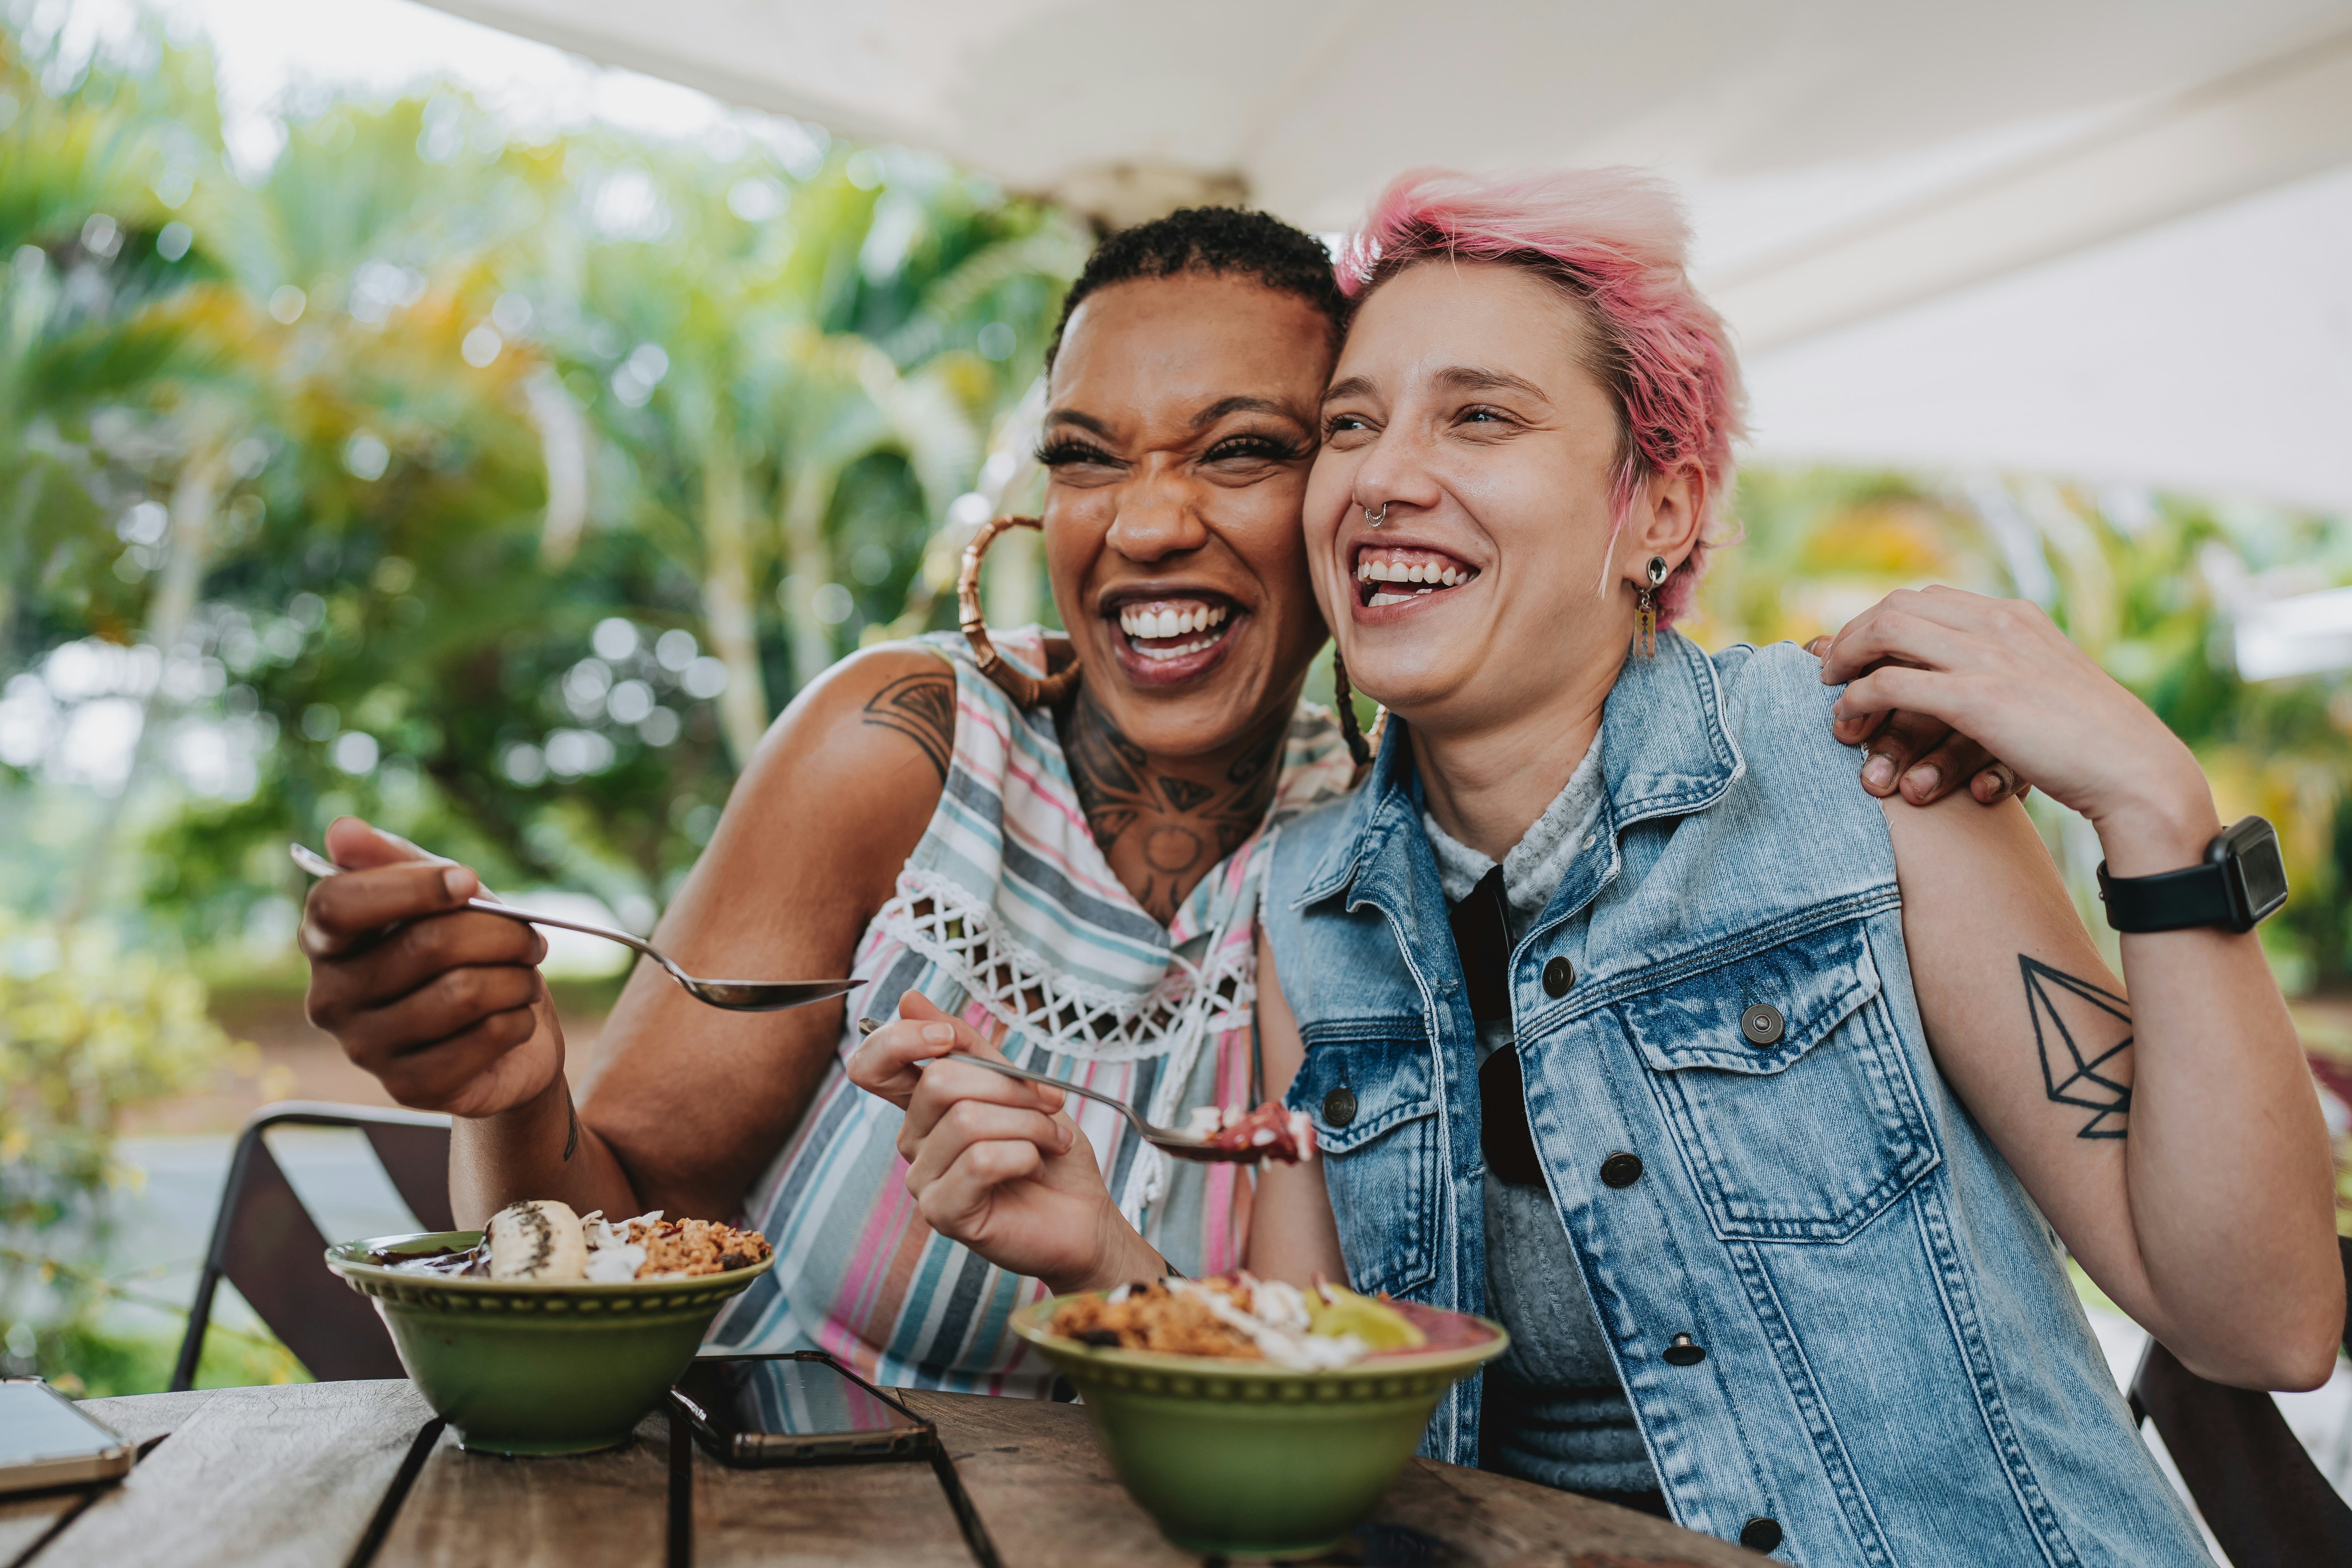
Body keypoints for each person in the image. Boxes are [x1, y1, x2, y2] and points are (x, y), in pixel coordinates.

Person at [855, 167, 2342, 1562]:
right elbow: (1316, 1427)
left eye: (1481, 419)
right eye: (1354, 426)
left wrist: (2157, 809)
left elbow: (2264, 1324)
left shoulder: (1862, 775)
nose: (1384, 480)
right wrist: (1099, 1254)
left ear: (1664, 510)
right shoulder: (1310, 913)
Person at [302, 203, 2007, 1400]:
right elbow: (597, 1249)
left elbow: (1341, 1372)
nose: (1146, 522)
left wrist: (1899, 726)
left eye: (1243, 451)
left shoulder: (1395, 867)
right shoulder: (894, 751)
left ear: (1353, 489)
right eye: (1086, 453)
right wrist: (512, 1093)